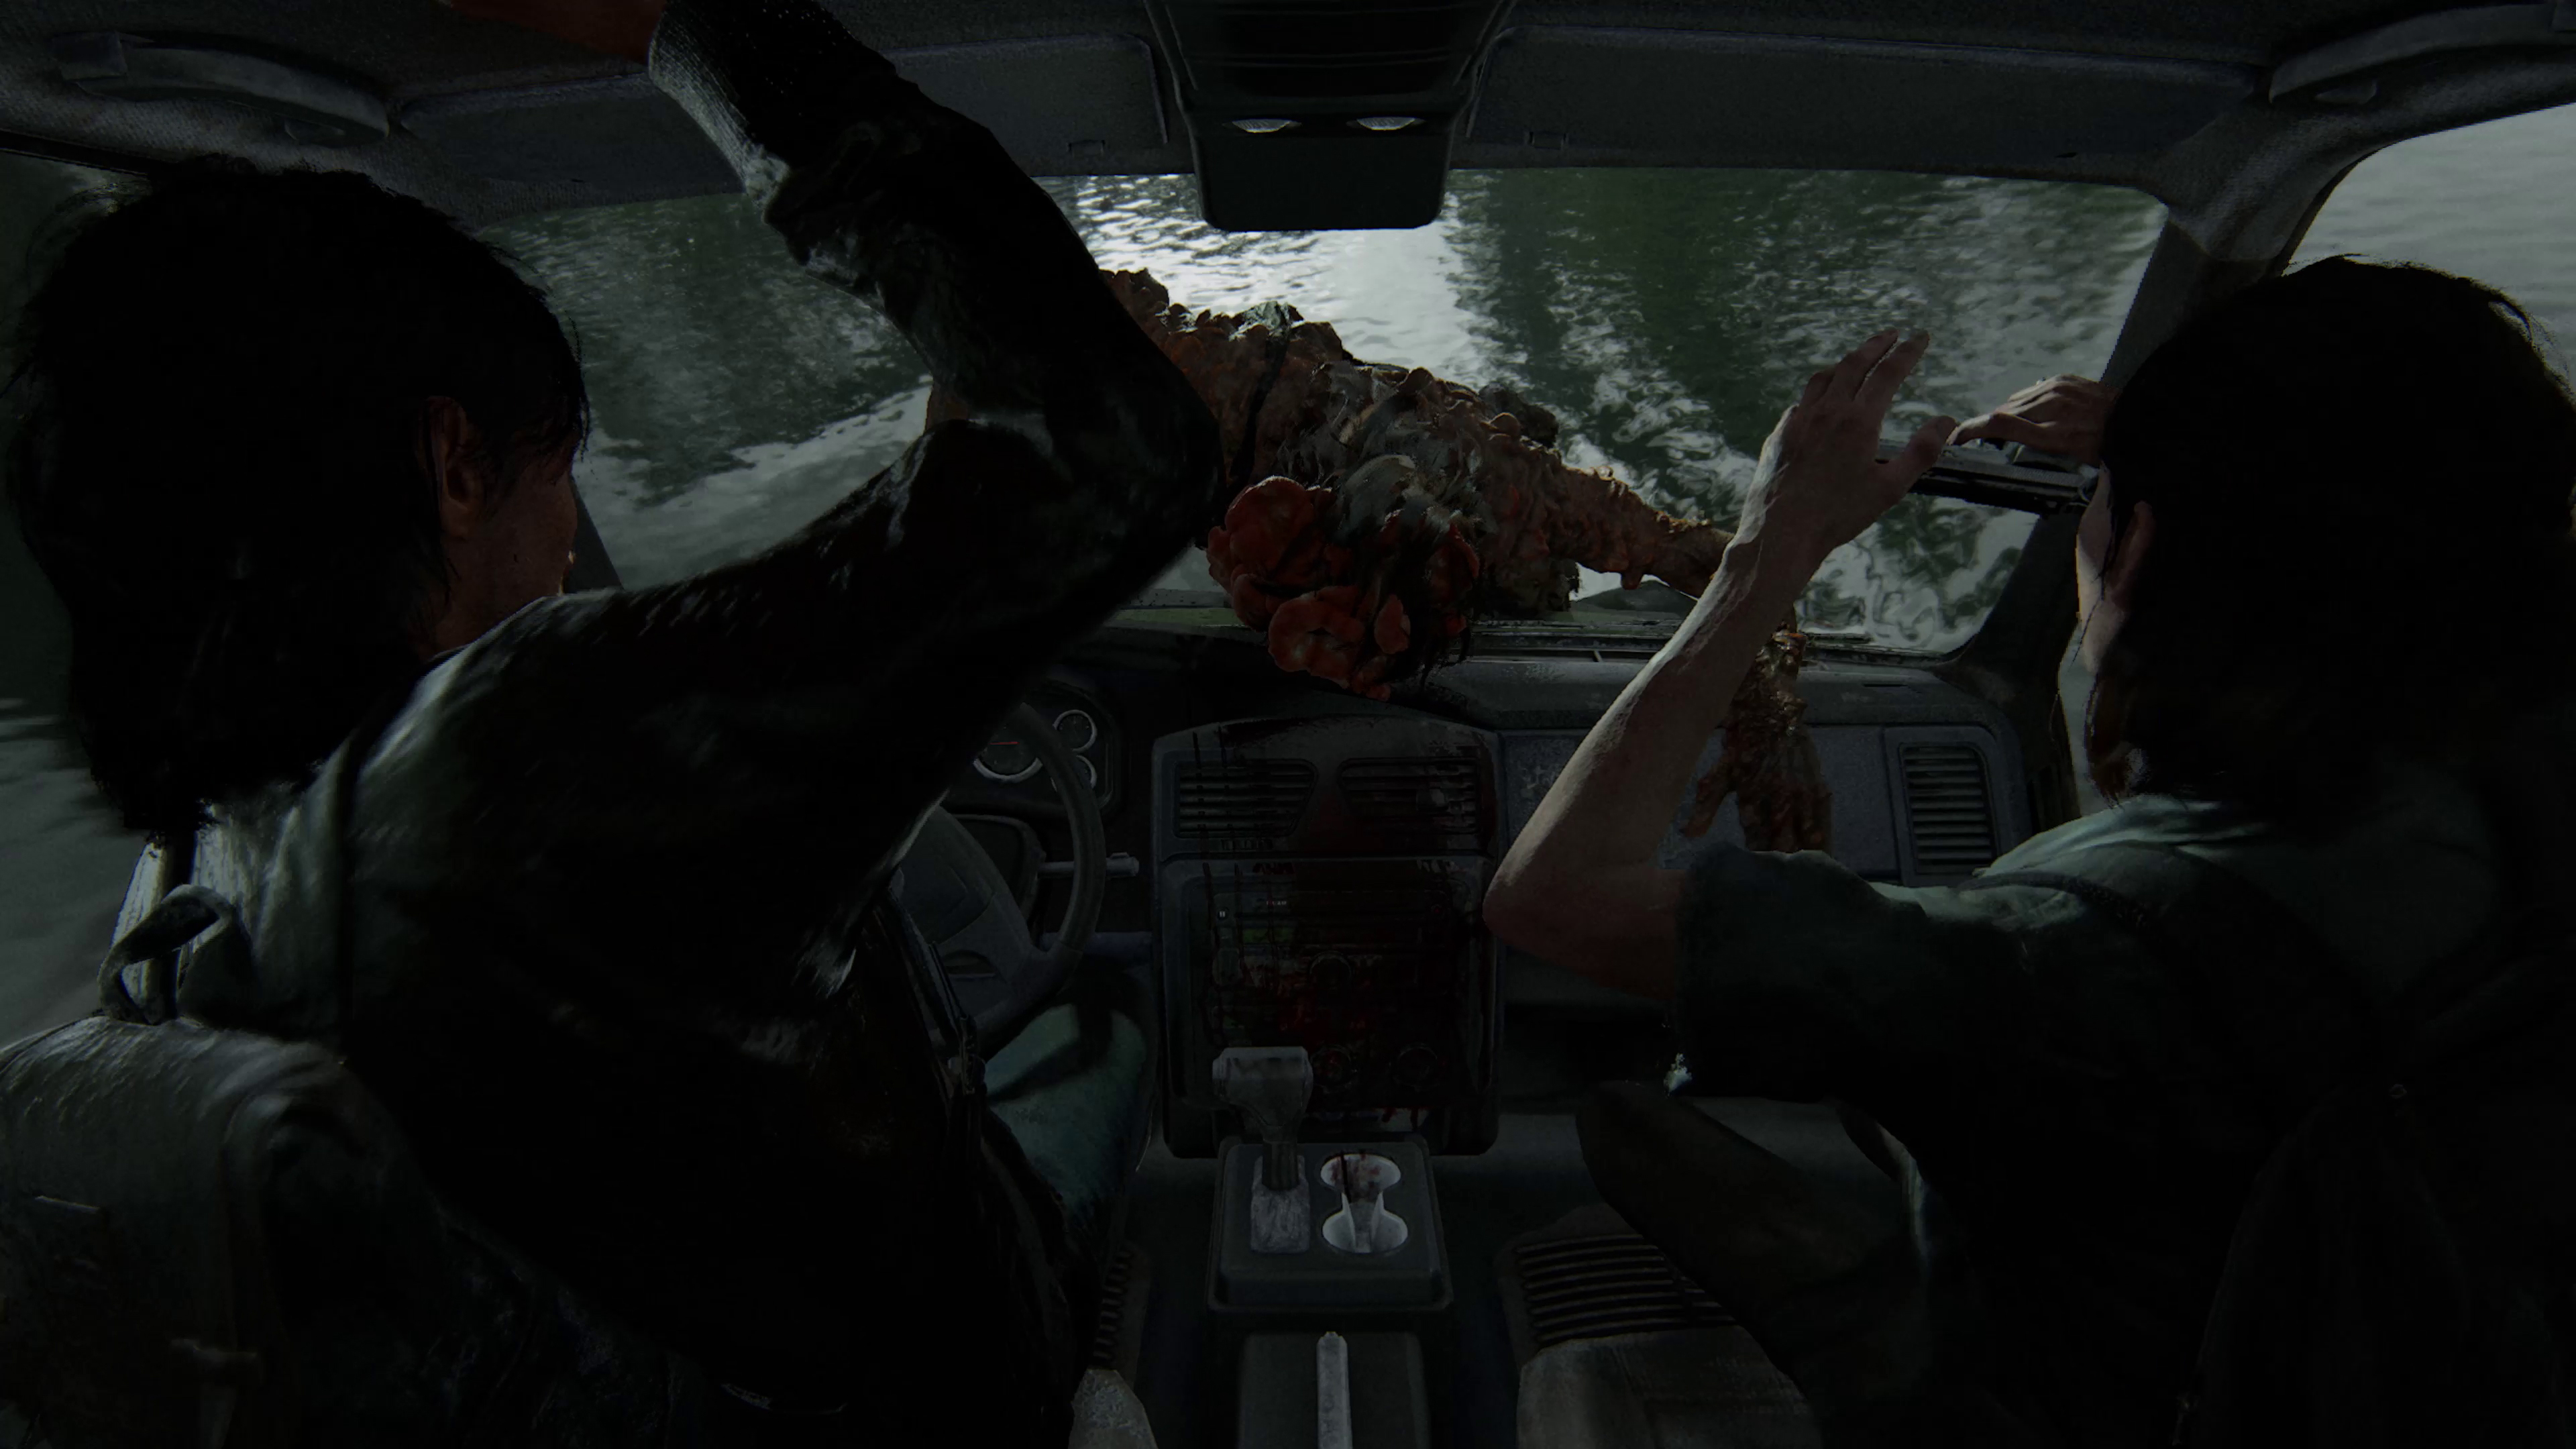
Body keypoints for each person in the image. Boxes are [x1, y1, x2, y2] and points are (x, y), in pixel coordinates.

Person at [5, 0, 1218, 1439]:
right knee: (1116, 1030)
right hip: (947, 1393)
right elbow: (1110, 440)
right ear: (456, 464)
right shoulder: (497, 771)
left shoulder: (205, 877)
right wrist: (689, 25)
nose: (574, 537)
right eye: (556, 469)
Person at [1483, 257, 2576, 1445]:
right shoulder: (2528, 804)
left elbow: (1556, 897)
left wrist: (1770, 552)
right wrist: (2234, 465)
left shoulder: (2090, 946)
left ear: (2139, 554)